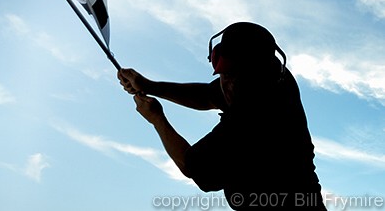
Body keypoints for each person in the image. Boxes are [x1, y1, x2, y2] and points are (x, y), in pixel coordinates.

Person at [117, 22, 327, 210]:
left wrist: (157, 119)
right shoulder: (272, 77)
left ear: (256, 76)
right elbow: (206, 96)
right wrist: (149, 86)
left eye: (236, 76)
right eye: (224, 74)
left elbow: (193, 167)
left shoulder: (252, 115)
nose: (228, 84)